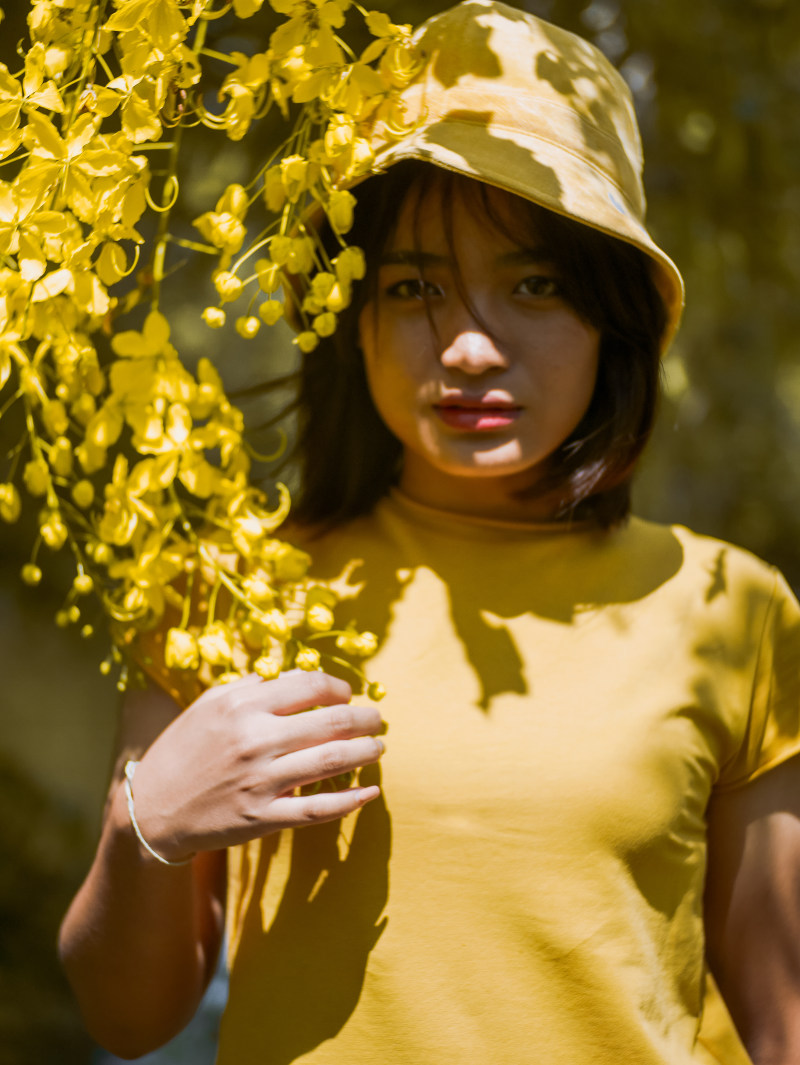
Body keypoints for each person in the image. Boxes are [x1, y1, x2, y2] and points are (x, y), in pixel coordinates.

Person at [59, 3, 800, 1064]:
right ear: (348, 317)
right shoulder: (230, 592)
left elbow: (779, 1026)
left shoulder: (732, 610)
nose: (467, 348)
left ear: (613, 321)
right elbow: (126, 1020)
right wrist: (149, 827)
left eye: (533, 286)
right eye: (413, 288)